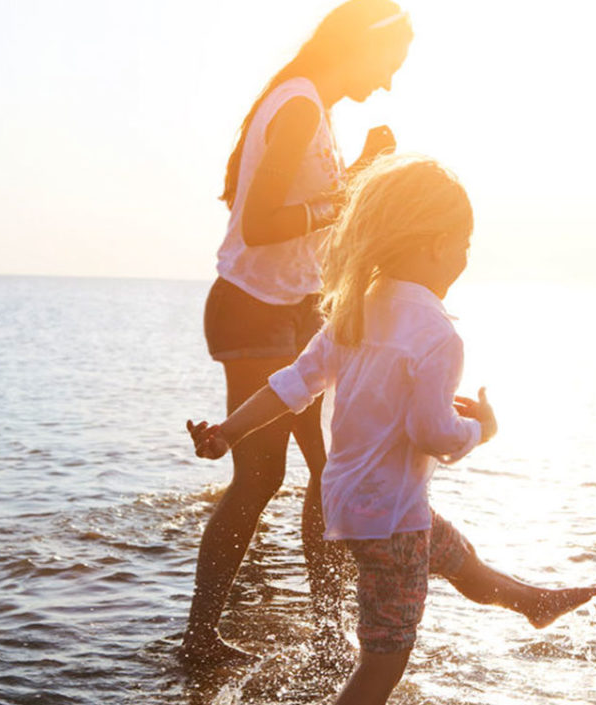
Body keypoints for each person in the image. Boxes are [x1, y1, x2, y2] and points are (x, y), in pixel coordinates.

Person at [189, 155, 596, 705]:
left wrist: (228, 432)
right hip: (391, 522)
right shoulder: (437, 334)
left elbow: (291, 386)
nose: (464, 259)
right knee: (383, 664)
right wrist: (481, 431)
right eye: (464, 245)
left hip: (352, 505)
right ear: (436, 246)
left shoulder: (354, 311)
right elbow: (433, 433)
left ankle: (531, 603)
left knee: (458, 557)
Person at [184, 0, 415, 668]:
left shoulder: (314, 108)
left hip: (295, 307)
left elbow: (302, 210)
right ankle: (200, 640)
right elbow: (258, 222)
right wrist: (345, 195)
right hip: (252, 307)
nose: (390, 82)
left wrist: (358, 171)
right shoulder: (299, 105)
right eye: (390, 64)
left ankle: (330, 634)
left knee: (330, 467)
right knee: (261, 477)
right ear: (362, 45)